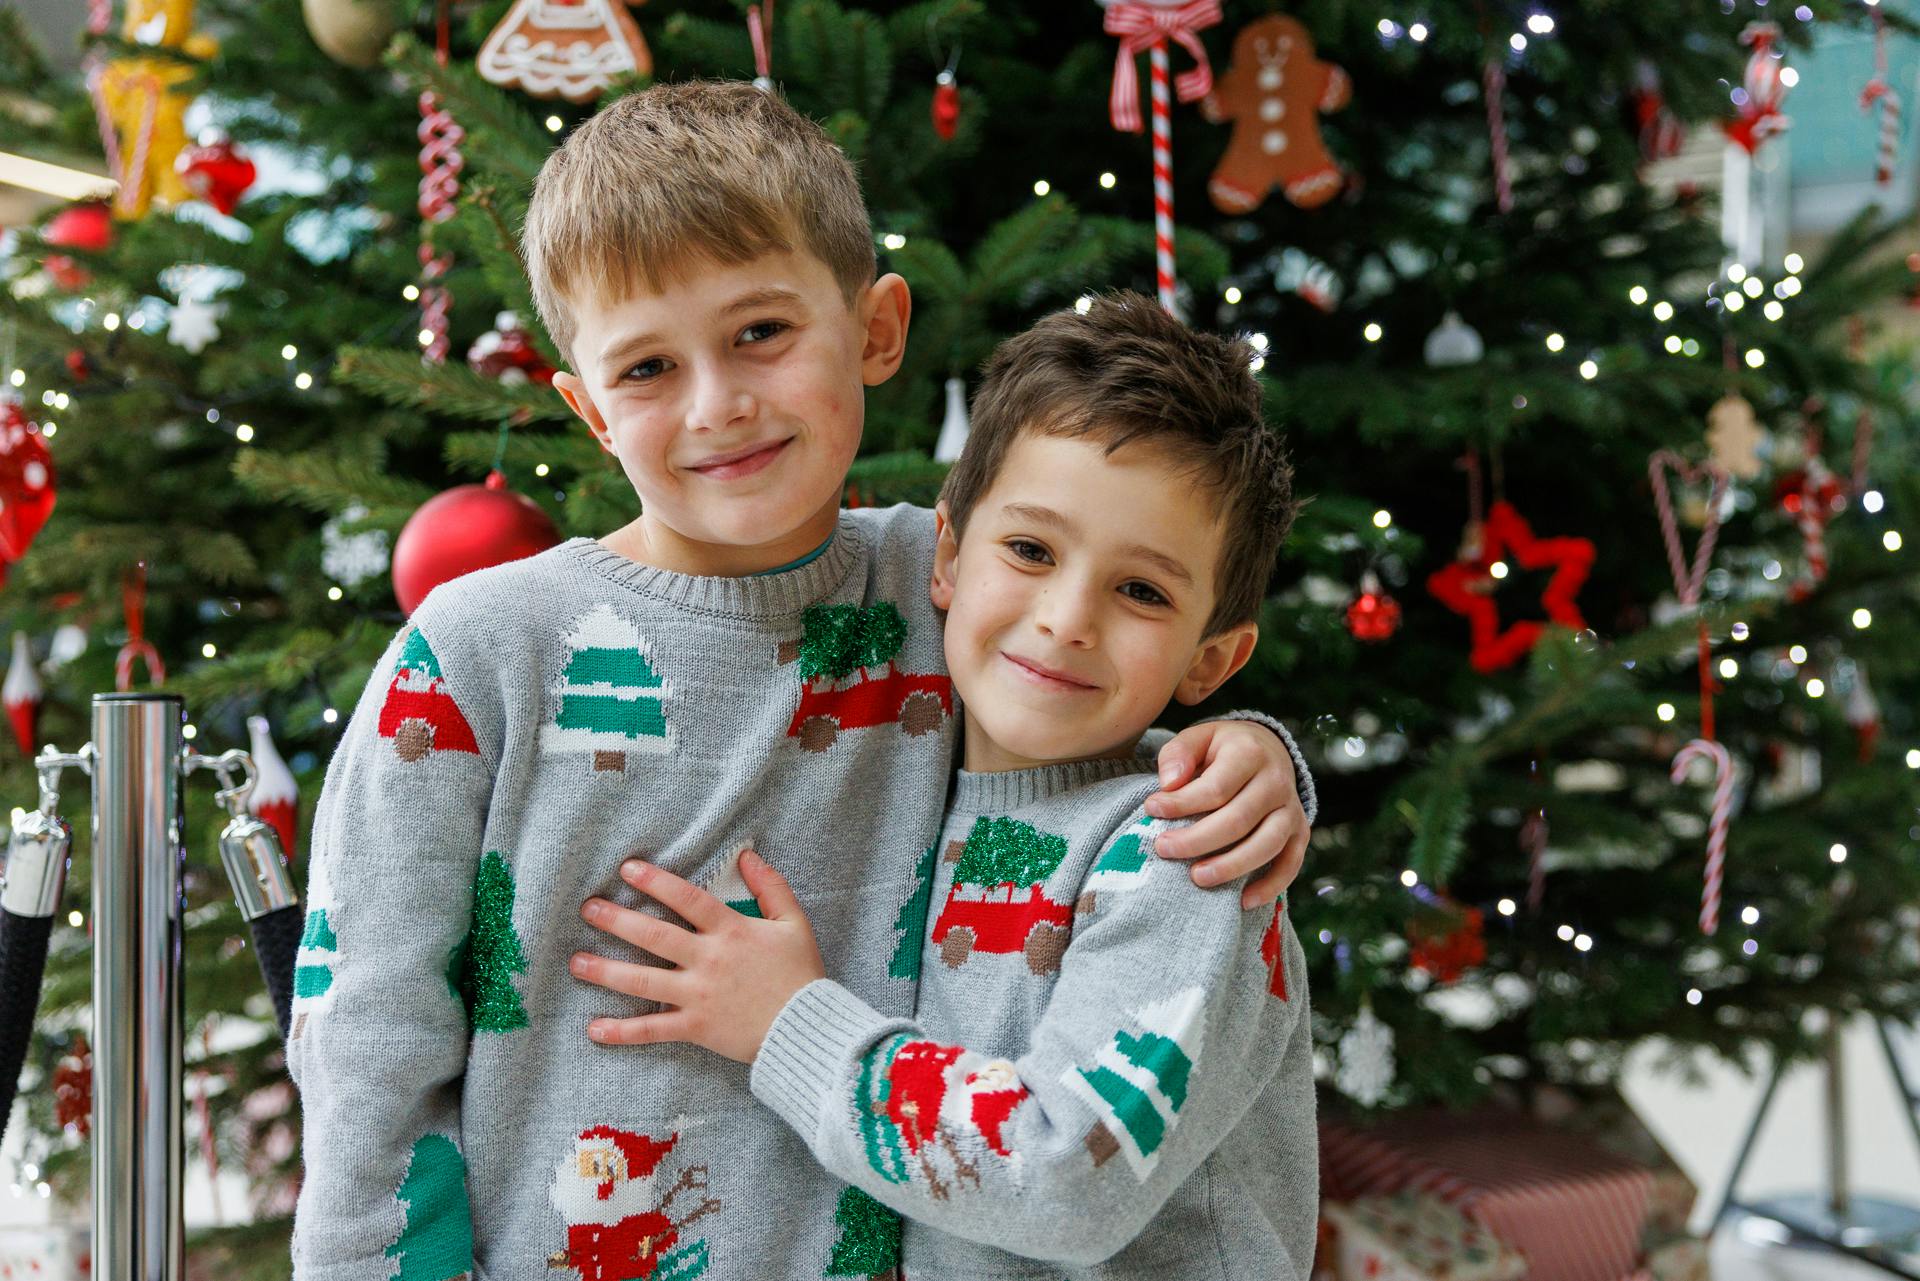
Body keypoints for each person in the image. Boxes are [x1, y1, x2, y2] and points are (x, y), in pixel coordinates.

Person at [288, 83, 1315, 1279]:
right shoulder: (476, 653)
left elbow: (1104, 685)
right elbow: (369, 1032)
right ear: (587, 412)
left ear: (877, 331)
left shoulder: (939, 581)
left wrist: (1249, 753)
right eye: (649, 368)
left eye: (761, 334)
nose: (718, 405)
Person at [571, 293, 1317, 1279]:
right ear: (950, 556)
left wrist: (788, 1022)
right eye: (1031, 550)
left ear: (1210, 659)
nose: (1065, 618)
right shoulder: (905, 780)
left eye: (1141, 591)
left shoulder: (1186, 856)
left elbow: (1065, 1178)